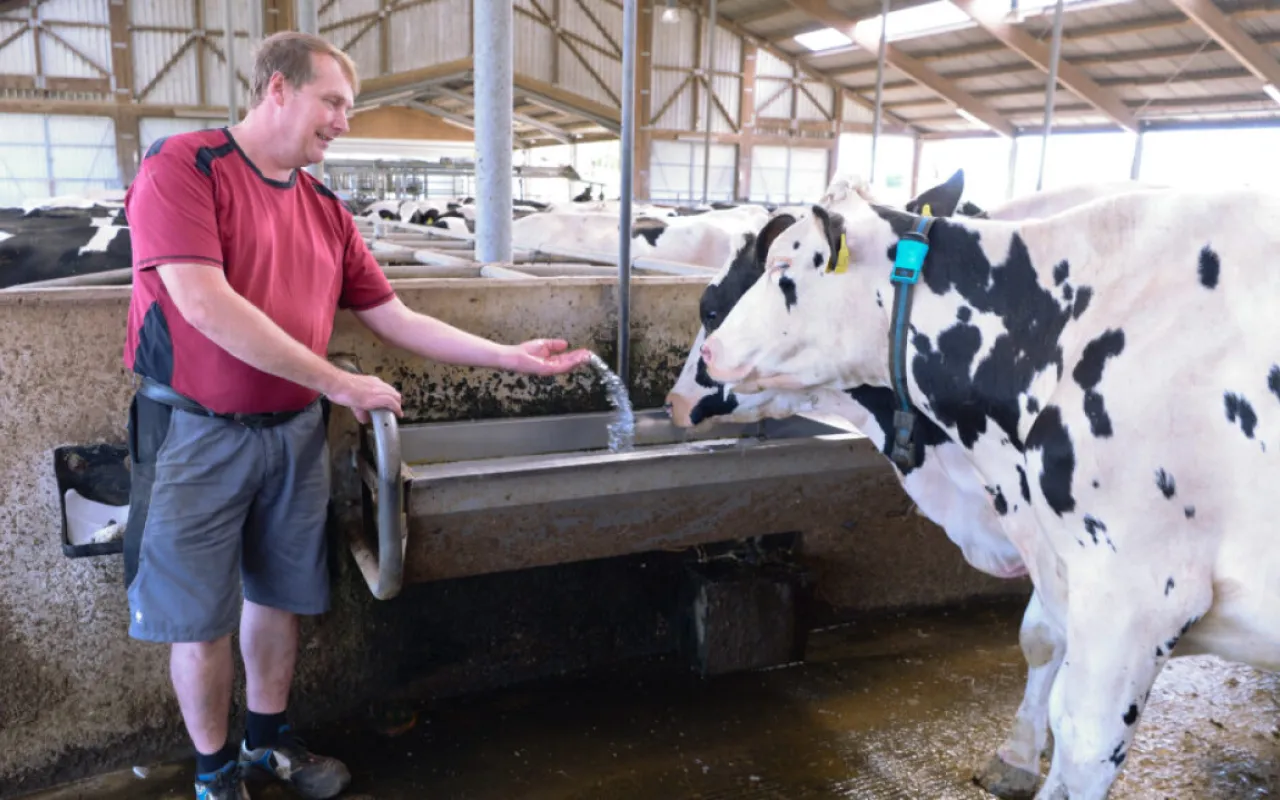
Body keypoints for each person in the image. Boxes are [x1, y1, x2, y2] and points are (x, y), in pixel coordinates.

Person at [120, 30, 591, 800]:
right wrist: (337, 383)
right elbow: (203, 304)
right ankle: (212, 779)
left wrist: (510, 357)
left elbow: (392, 315)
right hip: (194, 433)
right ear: (278, 89)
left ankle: (267, 744)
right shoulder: (185, 166)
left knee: (280, 597)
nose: (344, 121)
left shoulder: (326, 208)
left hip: (293, 433)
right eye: (332, 102)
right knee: (197, 620)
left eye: (350, 106)